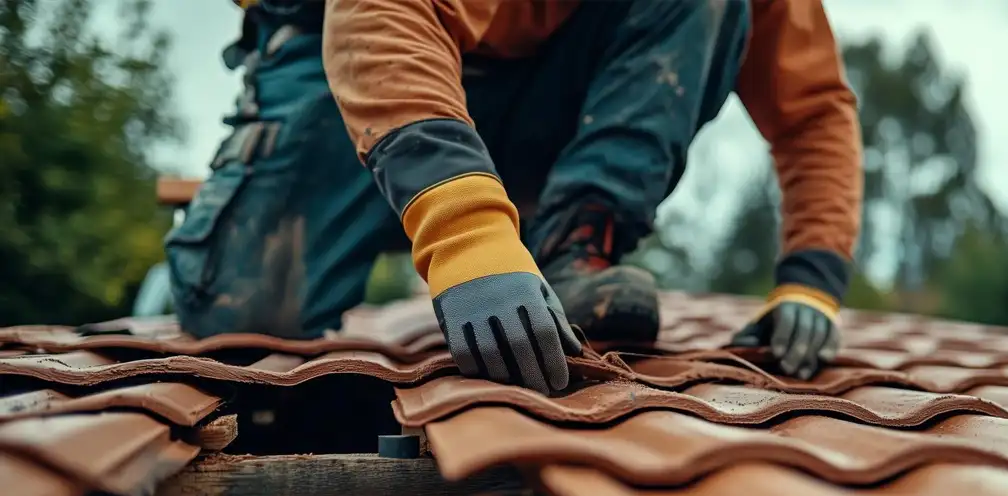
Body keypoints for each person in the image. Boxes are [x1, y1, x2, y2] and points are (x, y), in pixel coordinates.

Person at [167, 0, 862, 394]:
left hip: (533, 93)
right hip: (348, 58)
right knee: (245, 322)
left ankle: (575, 250)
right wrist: (468, 237)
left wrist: (812, 280)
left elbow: (812, 112)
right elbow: (382, 14)